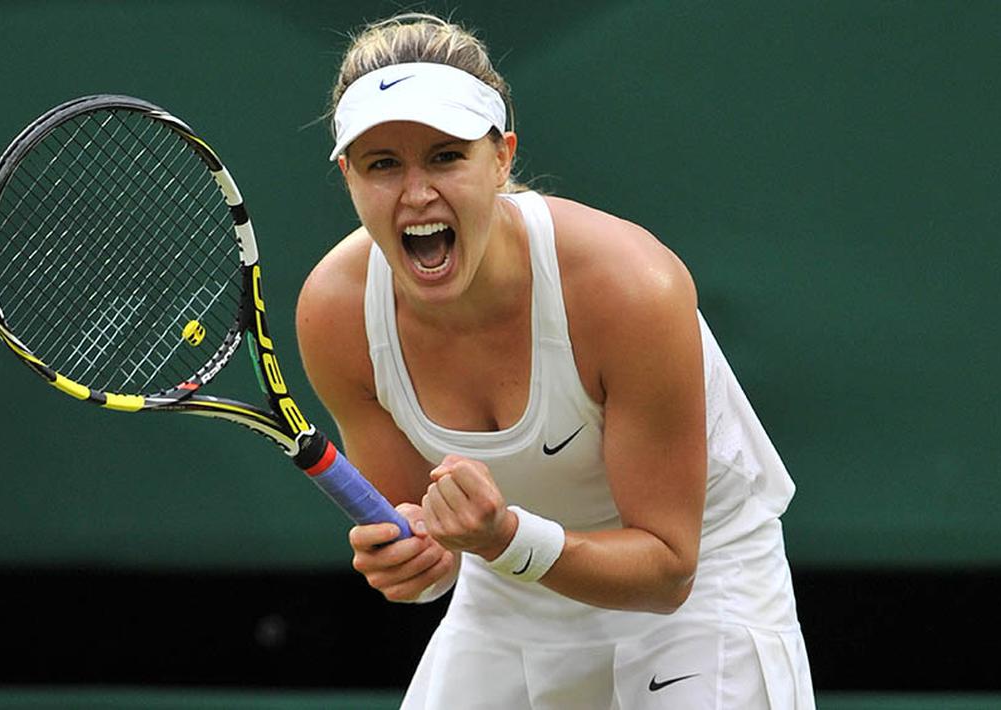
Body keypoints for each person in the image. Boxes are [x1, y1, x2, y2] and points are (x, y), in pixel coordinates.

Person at [296, 12, 815, 709]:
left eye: (446, 156)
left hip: (696, 600)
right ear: (347, 177)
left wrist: (504, 535)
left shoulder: (627, 286)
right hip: (507, 599)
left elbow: (667, 571)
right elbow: (430, 548)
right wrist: (413, 560)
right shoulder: (335, 314)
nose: (416, 194)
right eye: (382, 165)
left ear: (502, 157)